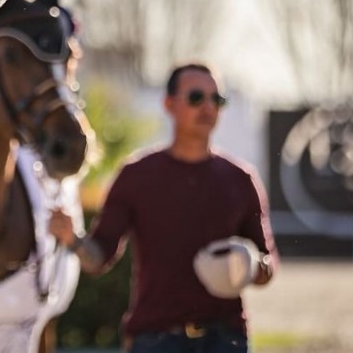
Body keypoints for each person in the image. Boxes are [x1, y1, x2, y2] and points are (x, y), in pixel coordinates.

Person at [49, 63, 278, 353]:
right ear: (169, 104)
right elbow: (100, 256)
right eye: (196, 97)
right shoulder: (136, 175)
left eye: (216, 99)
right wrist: (72, 239)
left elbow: (268, 264)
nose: (208, 107)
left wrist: (249, 265)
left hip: (225, 339)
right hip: (155, 339)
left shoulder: (241, 179)